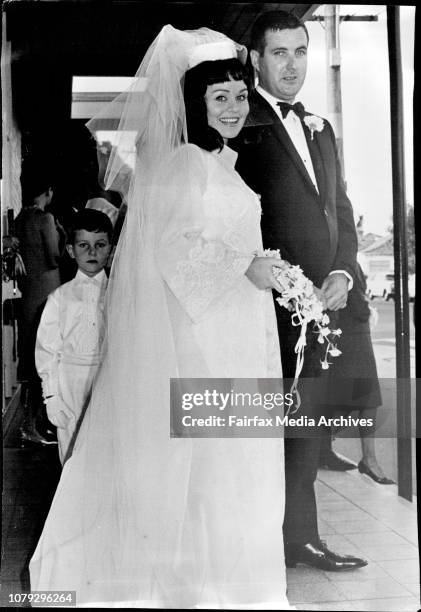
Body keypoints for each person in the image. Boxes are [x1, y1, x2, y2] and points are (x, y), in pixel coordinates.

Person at [30, 26, 292, 609]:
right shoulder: (180, 165)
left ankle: (231, 580)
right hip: (201, 335)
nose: (232, 107)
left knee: (236, 458)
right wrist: (243, 268)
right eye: (218, 97)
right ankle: (199, 586)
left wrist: (262, 268)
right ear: (195, 103)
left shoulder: (224, 164)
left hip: (238, 329)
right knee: (208, 461)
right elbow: (173, 253)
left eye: (240, 95)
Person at [235, 10, 367, 571]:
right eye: (280, 53)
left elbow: (338, 208)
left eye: (301, 51)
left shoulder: (321, 127)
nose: (293, 65)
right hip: (263, 304)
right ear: (256, 59)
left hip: (320, 305)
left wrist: (343, 271)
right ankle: (260, 541)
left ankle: (299, 539)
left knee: (305, 428)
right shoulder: (239, 124)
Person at [35, 209, 112, 465]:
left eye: (100, 245)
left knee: (106, 456)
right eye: (83, 245)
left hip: (108, 381)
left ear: (111, 250)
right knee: (72, 458)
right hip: (71, 384)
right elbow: (47, 352)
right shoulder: (60, 298)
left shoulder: (119, 295)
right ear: (70, 250)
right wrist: (52, 398)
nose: (92, 252)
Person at [320, 263, 395, 484]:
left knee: (364, 397)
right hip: (347, 332)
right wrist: (367, 310)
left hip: (352, 332)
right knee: (361, 398)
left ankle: (362, 458)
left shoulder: (347, 254)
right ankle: (365, 459)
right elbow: (351, 298)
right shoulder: (342, 255)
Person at [15, 168, 64, 445]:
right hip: (46, 294)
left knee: (31, 356)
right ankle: (32, 425)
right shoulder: (46, 219)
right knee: (44, 357)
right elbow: (54, 258)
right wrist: (59, 231)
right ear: (48, 192)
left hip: (28, 295)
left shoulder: (21, 219)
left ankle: (33, 423)